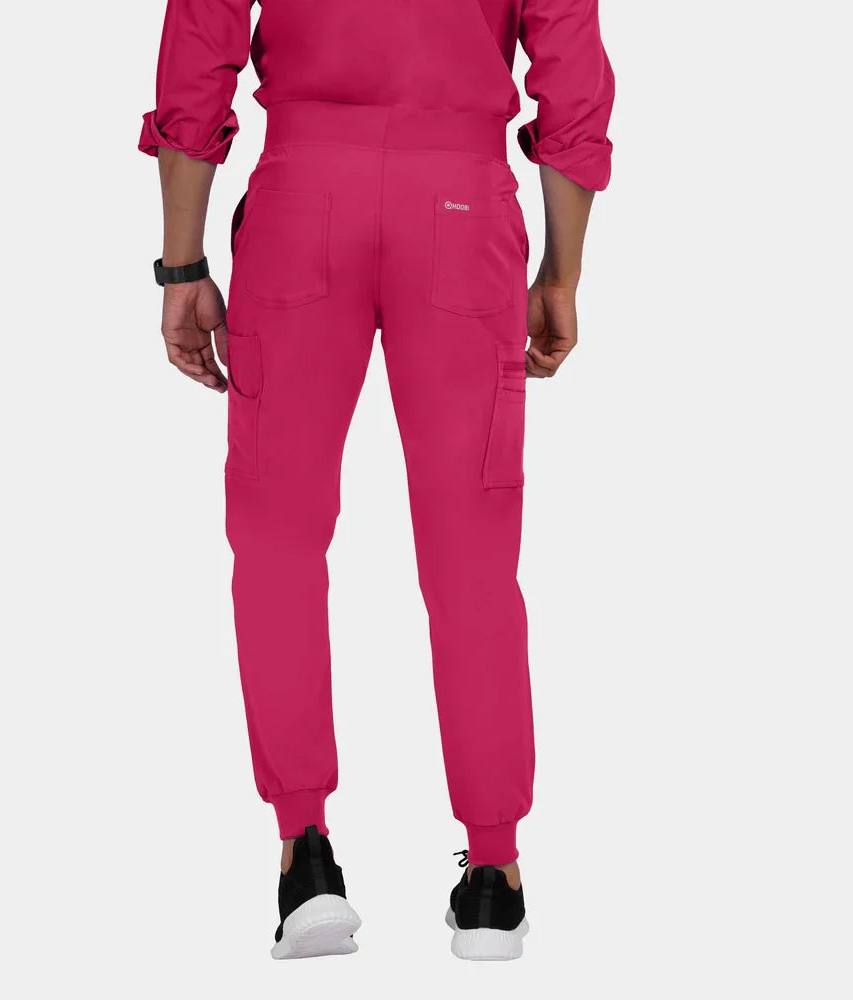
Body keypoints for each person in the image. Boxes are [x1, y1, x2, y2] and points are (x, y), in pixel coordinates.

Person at [140, 0, 613, 962]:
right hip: (462, 208)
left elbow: (201, 37)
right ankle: (493, 877)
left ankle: (305, 858)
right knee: (473, 556)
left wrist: (181, 262)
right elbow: (569, 64)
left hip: (302, 198)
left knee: (277, 538)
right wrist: (562, 271)